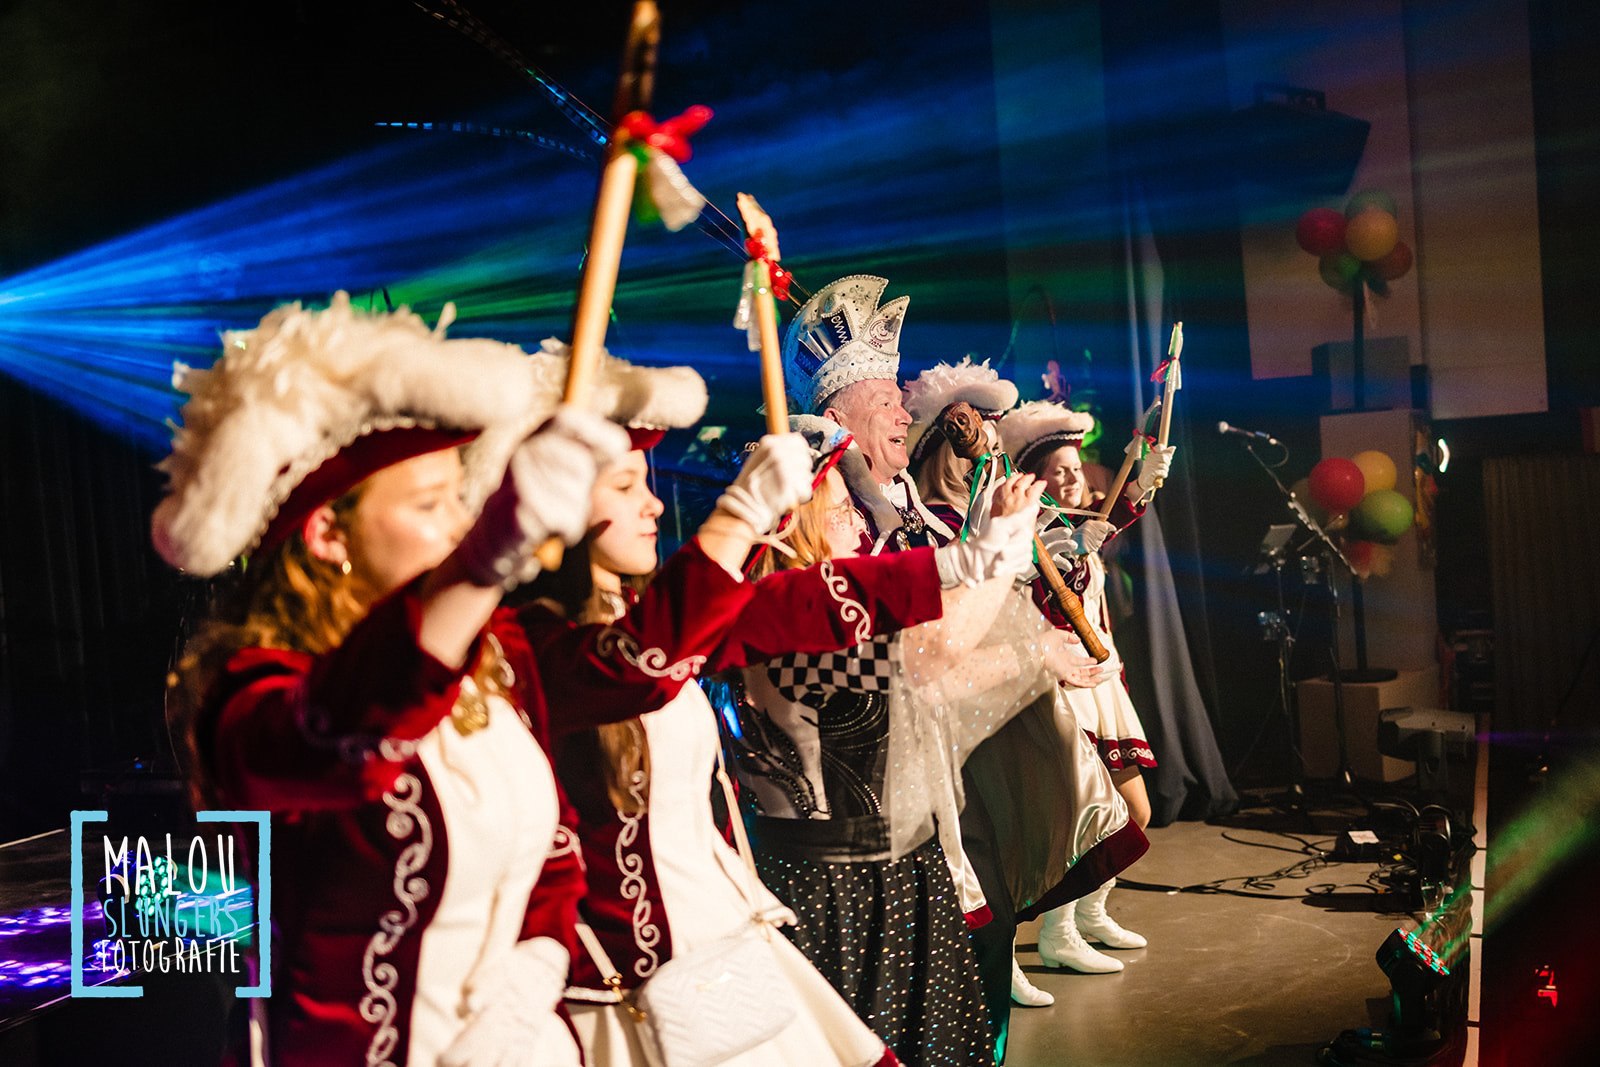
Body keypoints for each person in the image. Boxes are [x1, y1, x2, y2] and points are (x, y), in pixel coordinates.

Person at [155, 294, 649, 1065]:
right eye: (429, 503)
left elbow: (553, 872)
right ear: (329, 533)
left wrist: (520, 1003)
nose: (459, 522)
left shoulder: (494, 661)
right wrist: (482, 560)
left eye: (461, 498)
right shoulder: (249, 698)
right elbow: (353, 721)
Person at [785, 277, 1148, 1062]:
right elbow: (922, 656)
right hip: (867, 831)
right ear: (837, 421)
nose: (902, 410)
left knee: (974, 963)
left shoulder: (896, 509)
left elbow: (944, 630)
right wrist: (1018, 614)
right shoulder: (830, 527)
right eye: (886, 398)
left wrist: (1015, 597)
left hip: (932, 797)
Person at [727, 419, 1108, 1066]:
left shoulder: (825, 603)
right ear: (795, 526)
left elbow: (927, 677)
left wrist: (1035, 650)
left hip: (893, 870)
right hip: (835, 890)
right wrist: (1002, 548)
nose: (858, 524)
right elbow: (930, 654)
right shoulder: (784, 614)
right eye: (841, 512)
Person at [998, 399, 1174, 977]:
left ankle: (1091, 912)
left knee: (1134, 810)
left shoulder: (1079, 527)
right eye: (1060, 471)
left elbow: (1117, 513)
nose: (1074, 478)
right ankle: (1059, 932)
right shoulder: (1026, 534)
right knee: (1080, 820)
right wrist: (1070, 551)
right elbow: (1037, 608)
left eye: (1077, 468)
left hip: (1103, 684)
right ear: (1035, 480)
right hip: (1062, 687)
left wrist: (1143, 476)